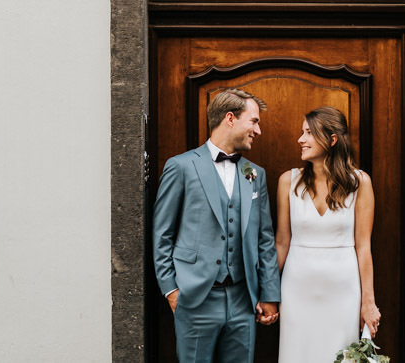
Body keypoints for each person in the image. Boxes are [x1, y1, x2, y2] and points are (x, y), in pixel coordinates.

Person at [153, 89, 281, 363]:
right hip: (195, 297)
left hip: (243, 300)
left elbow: (265, 239)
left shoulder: (254, 174)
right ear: (230, 118)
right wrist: (171, 290)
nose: (258, 130)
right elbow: (162, 233)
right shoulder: (182, 166)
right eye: (254, 121)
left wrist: (270, 293)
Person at [275, 106, 380, 363]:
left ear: (332, 140)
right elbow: (281, 242)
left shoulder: (359, 183)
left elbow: (363, 247)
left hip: (343, 289)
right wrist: (266, 294)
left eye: (309, 133)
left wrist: (368, 302)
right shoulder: (288, 181)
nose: (301, 139)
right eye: (302, 133)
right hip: (296, 289)